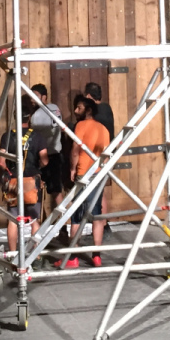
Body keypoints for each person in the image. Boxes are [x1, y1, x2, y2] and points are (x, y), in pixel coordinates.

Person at [0, 100, 48, 253]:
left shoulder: (7, 136)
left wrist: (9, 172)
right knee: (34, 220)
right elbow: (45, 160)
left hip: (13, 182)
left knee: (13, 220)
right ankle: (35, 255)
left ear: (15, 117)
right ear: (29, 117)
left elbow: (1, 161)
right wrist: (37, 168)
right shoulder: (38, 136)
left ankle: (13, 253)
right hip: (32, 182)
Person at [65, 96, 110, 268]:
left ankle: (73, 257)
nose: (76, 111)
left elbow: (75, 150)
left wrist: (72, 168)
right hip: (98, 174)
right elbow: (106, 154)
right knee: (96, 213)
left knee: (76, 215)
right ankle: (97, 256)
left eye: (79, 108)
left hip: (84, 173)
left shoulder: (81, 126)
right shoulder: (104, 129)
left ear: (88, 110)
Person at [30, 82, 63, 213]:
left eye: (35, 96)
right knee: (56, 192)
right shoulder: (55, 108)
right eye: (31, 96)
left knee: (36, 191)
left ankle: (40, 221)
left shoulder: (36, 116)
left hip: (43, 157)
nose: (32, 100)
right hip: (57, 154)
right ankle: (65, 223)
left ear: (44, 97)